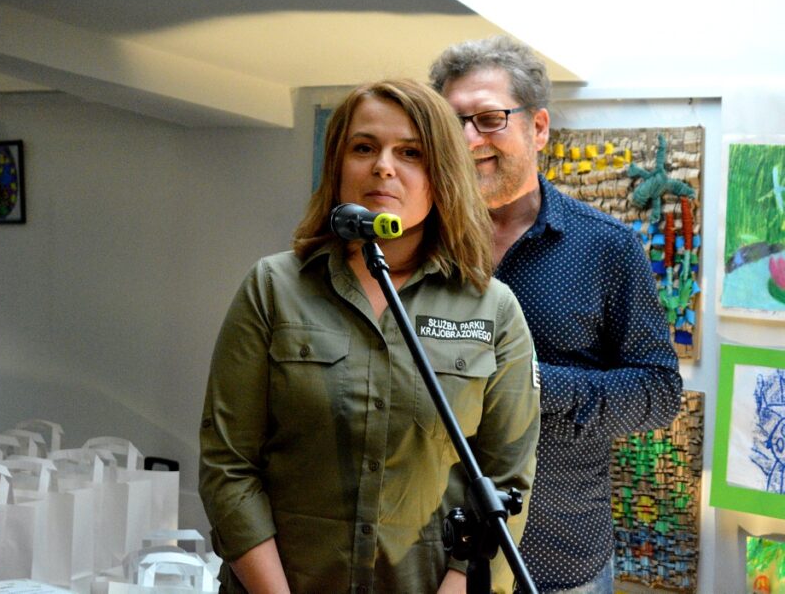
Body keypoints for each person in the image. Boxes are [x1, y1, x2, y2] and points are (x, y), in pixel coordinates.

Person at [199, 78, 540, 594]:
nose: (384, 166)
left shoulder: (493, 309)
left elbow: (506, 483)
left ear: (442, 174)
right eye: (364, 148)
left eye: (410, 153)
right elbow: (228, 466)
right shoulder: (273, 288)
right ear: (337, 165)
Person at [429, 36, 683, 593]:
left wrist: (532, 384)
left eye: (490, 119)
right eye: (452, 123)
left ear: (538, 127)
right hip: (427, 558)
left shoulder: (606, 246)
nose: (468, 139)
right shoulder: (416, 247)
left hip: (557, 562)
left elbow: (660, 390)